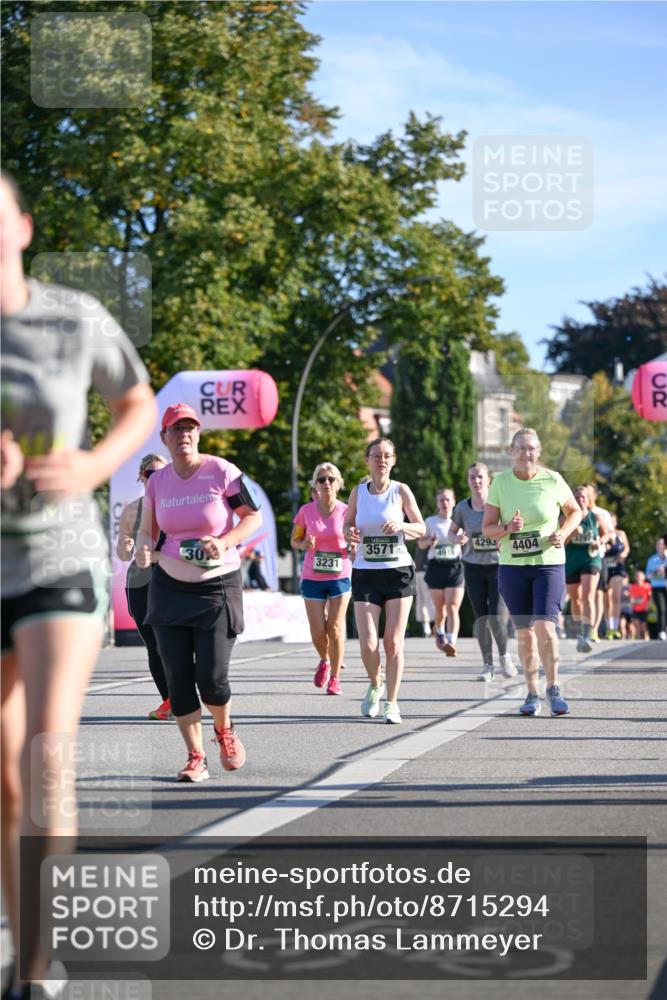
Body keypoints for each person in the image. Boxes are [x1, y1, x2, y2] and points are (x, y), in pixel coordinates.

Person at [1, 171, 156, 1000]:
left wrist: (94, 463)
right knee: (7, 776)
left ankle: (32, 976)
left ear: (21, 227)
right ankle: (30, 941)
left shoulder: (72, 317)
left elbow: (136, 399)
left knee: (46, 752)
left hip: (60, 556)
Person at [135, 403, 261, 782]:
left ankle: (224, 730)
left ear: (199, 434)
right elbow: (147, 530)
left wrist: (224, 542)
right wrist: (144, 547)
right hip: (169, 588)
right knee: (177, 676)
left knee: (211, 676)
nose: (184, 435)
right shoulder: (158, 482)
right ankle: (195, 756)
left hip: (217, 588)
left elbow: (251, 517)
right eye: (176, 429)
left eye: (191, 428)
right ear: (165, 438)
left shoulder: (222, 471)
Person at [482, 428, 581, 717]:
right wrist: (507, 529)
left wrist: (563, 533)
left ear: (539, 451)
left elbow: (575, 511)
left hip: (548, 563)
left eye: (532, 448)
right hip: (513, 567)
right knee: (524, 633)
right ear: (511, 452)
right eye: (521, 448)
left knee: (545, 627)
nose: (527, 454)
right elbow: (488, 529)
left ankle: (554, 687)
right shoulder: (500, 482)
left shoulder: (553, 479)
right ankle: (532, 692)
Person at [344, 438, 425, 724]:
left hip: (398, 571)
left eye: (387, 455)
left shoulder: (401, 490)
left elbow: (421, 527)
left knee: (392, 642)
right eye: (376, 455)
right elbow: (348, 523)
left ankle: (391, 702)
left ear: (394, 460)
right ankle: (375, 684)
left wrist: (402, 525)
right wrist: (349, 534)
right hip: (366, 571)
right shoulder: (357, 492)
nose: (382, 460)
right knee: (367, 643)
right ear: (367, 460)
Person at [116, 453, 171, 719]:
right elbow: (124, 554)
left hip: (173, 579)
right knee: (154, 644)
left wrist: (156, 557)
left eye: (162, 473)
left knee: (175, 640)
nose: (155, 478)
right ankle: (169, 700)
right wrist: (126, 546)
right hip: (140, 582)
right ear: (142, 476)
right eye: (151, 473)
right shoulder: (131, 510)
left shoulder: (175, 506)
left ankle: (184, 692)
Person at [450, 463, 515, 681]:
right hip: (472, 567)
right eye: (472, 478)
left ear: (489, 480)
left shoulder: (498, 505)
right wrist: (457, 539)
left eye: (480, 477)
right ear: (468, 481)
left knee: (497, 616)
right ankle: (488, 664)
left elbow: (511, 529)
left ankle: (505, 656)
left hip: (498, 566)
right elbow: (451, 533)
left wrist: (503, 535)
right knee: (481, 617)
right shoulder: (462, 508)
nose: (476, 481)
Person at [290, 462, 352, 695]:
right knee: (317, 630)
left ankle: (335, 677)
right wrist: (304, 543)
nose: (327, 483)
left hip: (340, 574)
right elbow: (294, 541)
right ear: (316, 485)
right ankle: (324, 660)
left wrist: (353, 542)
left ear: (339, 484)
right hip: (312, 575)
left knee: (335, 627)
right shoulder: (306, 511)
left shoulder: (347, 511)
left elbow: (355, 536)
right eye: (322, 479)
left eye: (331, 479)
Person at [418, 489, 465, 656]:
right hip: (436, 567)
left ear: (453, 502)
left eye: (448, 500)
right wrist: (429, 541)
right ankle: (439, 630)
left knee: (453, 607)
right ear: (437, 503)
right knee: (441, 610)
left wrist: (463, 540)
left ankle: (451, 641)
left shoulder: (460, 520)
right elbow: (420, 545)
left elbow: (469, 539)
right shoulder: (430, 522)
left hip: (455, 567)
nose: (445, 503)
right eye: (441, 500)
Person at [564, 485, 608, 653]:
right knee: (575, 600)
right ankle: (580, 627)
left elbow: (607, 534)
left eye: (583, 497)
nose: (580, 500)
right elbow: (559, 542)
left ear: (588, 500)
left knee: (588, 595)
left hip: (591, 559)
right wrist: (571, 534)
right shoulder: (565, 519)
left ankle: (588, 633)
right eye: (577, 497)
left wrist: (601, 541)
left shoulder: (594, 517)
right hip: (572, 561)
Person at [584, 483, 614, 641]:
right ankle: (586, 626)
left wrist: (602, 542)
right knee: (583, 596)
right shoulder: (577, 511)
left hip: (597, 557)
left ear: (595, 495)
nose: (586, 497)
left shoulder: (601, 513)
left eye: (589, 494)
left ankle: (593, 629)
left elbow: (611, 535)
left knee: (597, 595)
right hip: (579, 559)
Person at [602, 514, 630, 639]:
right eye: (608, 521)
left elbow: (627, 548)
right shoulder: (602, 532)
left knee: (616, 597)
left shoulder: (621, 533)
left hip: (617, 568)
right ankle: (609, 628)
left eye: (613, 521)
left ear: (616, 522)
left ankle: (615, 627)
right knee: (606, 600)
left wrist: (623, 554)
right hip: (605, 567)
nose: (610, 524)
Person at [646, 536, 667, 640]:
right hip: (657, 587)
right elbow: (648, 575)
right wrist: (657, 572)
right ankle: (662, 631)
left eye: (662, 544)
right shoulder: (652, 559)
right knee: (661, 609)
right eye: (658, 544)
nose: (660, 546)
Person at [413, 543, 435, 637]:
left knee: (425, 602)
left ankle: (430, 628)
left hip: (423, 572)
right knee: (423, 602)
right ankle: (429, 628)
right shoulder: (425, 538)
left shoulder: (426, 539)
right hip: (420, 572)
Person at [629, 570, 652, 641]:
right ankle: (638, 638)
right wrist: (634, 602)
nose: (638, 578)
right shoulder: (632, 587)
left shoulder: (647, 586)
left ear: (643, 577)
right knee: (637, 625)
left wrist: (648, 605)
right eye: (637, 576)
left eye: (640, 576)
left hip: (644, 609)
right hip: (636, 609)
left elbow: (650, 597)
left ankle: (646, 638)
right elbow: (631, 599)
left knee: (644, 626)